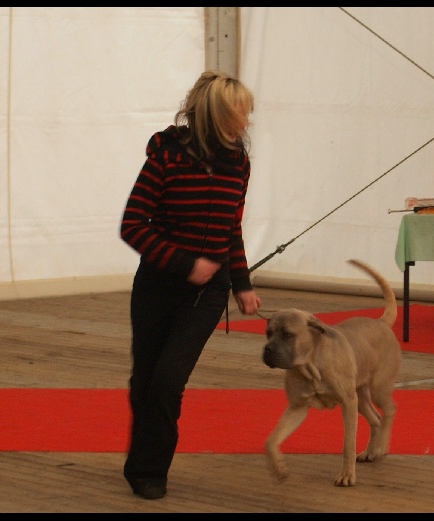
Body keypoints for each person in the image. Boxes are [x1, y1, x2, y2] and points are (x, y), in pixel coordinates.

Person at [119, 71, 262, 499]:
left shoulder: (239, 164)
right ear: (218, 115)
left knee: (168, 381)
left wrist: (242, 283)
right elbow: (133, 225)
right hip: (156, 286)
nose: (246, 123)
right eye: (240, 114)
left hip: (207, 294)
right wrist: (185, 264)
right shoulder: (167, 158)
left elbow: (231, 228)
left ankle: (150, 471)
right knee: (145, 382)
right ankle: (141, 460)